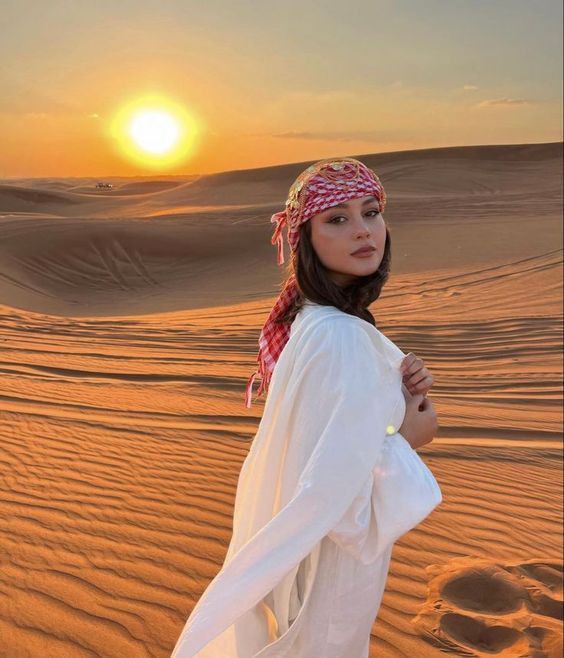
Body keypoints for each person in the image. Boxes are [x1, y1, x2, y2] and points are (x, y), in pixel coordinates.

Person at [171, 157, 442, 658]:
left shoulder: (316, 322)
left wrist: (396, 401)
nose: (364, 231)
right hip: (330, 573)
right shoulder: (339, 336)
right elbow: (334, 495)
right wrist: (408, 439)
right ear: (305, 239)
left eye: (372, 212)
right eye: (337, 219)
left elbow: (326, 438)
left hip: (314, 567)